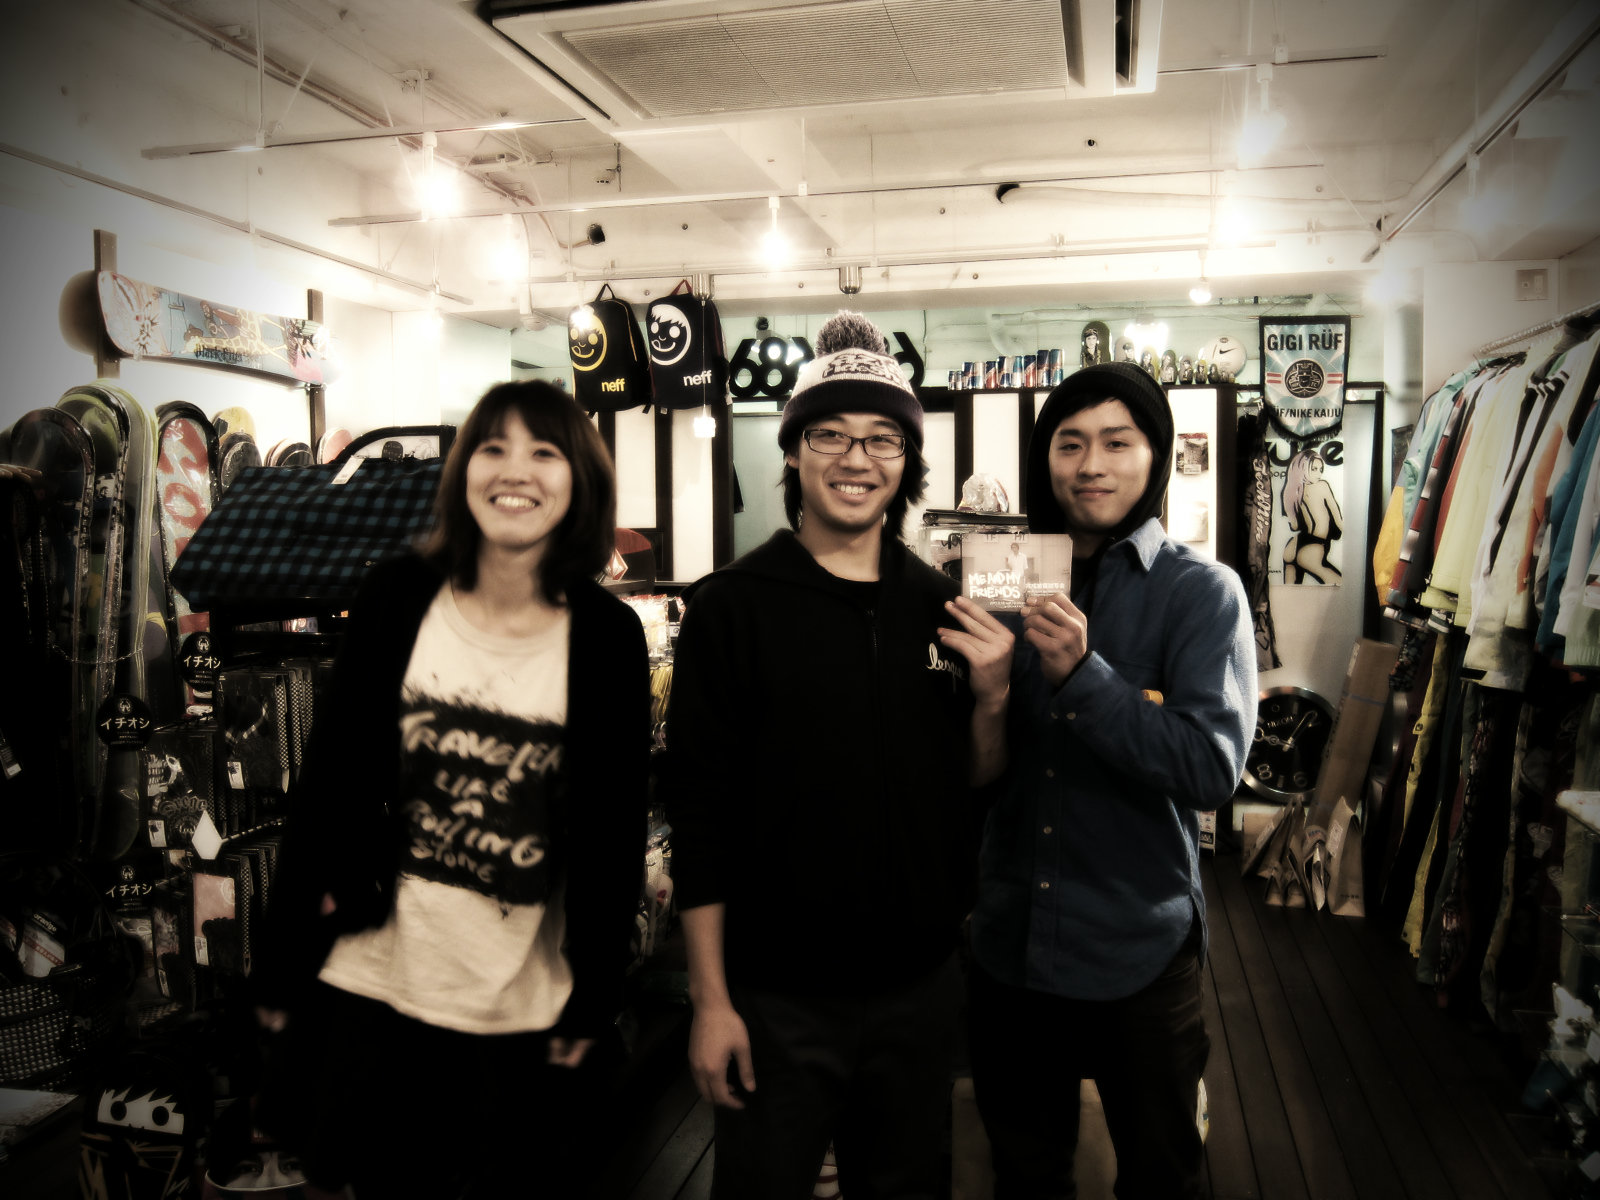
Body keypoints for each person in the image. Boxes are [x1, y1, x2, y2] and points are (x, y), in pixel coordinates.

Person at [252, 380, 651, 1198]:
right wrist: (282, 962)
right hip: (378, 984)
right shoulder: (398, 595)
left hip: (520, 1002)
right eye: (493, 448)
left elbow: (613, 834)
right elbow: (327, 785)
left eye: (545, 451)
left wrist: (596, 995)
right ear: (464, 469)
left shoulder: (608, 637)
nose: (516, 470)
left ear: (579, 480)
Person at [666, 311, 1013, 1200]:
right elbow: (699, 814)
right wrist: (711, 999)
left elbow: (969, 784)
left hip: (919, 991)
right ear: (793, 451)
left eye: (882, 438)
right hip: (775, 997)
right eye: (830, 434)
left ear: (907, 460)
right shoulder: (732, 607)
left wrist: (993, 698)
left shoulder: (940, 607)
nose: (857, 459)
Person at [967, 361, 1256, 1199]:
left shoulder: (1202, 593)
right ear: (1045, 459)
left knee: (1163, 1175)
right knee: (1025, 1174)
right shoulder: (1002, 582)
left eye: (1117, 442)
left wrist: (1083, 675)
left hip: (1139, 945)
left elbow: (1209, 769)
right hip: (1010, 942)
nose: (1090, 464)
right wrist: (988, 697)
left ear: (1154, 455)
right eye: (1069, 443)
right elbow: (976, 778)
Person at [1282, 448, 1343, 583]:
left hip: (1295, 545)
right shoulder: (1322, 486)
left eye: (1321, 470)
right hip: (1315, 544)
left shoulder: (1291, 491)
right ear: (1302, 468)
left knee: (1290, 590)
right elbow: (1338, 519)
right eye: (1314, 469)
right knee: (1342, 585)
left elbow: (1295, 526)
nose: (1319, 474)